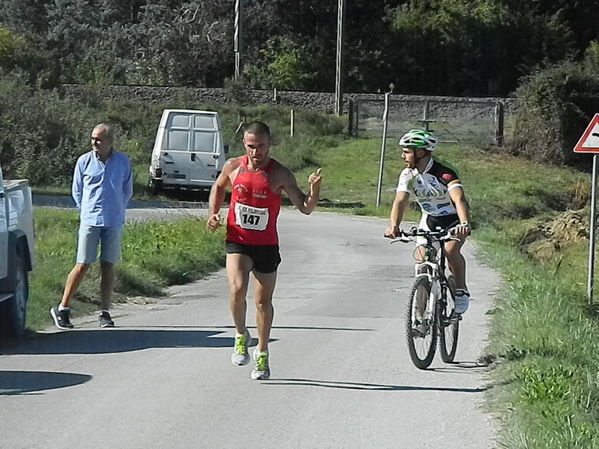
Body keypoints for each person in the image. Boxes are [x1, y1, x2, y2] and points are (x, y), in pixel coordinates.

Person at [207, 121, 322, 380]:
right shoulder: (233, 166)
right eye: (251, 146)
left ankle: (262, 353)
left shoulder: (280, 174)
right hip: (237, 239)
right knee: (237, 289)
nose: (256, 151)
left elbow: (305, 207)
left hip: (266, 245)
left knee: (262, 302)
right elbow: (218, 186)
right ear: (244, 145)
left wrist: (314, 191)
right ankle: (239, 335)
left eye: (261, 146)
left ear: (269, 144)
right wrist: (213, 214)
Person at [50, 123, 133, 329]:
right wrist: (86, 211)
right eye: (93, 139)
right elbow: (77, 191)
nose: (94, 143)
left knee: (108, 266)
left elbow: (127, 190)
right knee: (83, 264)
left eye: (99, 139)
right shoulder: (84, 161)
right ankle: (63, 308)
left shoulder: (123, 162)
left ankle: (104, 312)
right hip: (91, 220)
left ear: (110, 142)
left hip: (113, 221)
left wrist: (117, 210)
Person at [384, 129, 472, 314]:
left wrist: (464, 224)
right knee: (422, 261)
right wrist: (394, 225)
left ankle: (461, 290)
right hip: (429, 219)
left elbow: (459, 199)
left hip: (453, 219)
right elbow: (400, 201)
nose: (402, 156)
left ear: (421, 152)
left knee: (450, 250)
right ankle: (420, 315)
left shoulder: (444, 172)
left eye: (407, 151)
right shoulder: (407, 175)